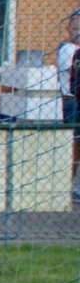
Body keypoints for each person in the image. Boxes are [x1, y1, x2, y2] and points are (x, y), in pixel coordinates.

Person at [58, 12, 80, 193]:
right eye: (75, 28)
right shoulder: (68, 50)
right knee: (75, 146)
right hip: (72, 102)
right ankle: (69, 185)